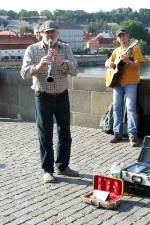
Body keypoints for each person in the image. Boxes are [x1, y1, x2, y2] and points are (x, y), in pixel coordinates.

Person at [20, 20, 79, 183]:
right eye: (47, 32)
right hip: (42, 95)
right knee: (45, 134)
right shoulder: (32, 49)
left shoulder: (65, 48)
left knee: (65, 133)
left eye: (53, 32)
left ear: (57, 34)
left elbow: (75, 70)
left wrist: (61, 63)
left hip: (62, 95)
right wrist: (39, 66)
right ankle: (47, 170)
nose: (50, 35)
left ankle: (63, 166)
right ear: (41, 34)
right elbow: (24, 74)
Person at [105, 29, 144, 147]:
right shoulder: (116, 51)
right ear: (117, 39)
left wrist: (128, 61)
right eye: (120, 36)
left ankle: (132, 135)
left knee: (130, 108)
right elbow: (107, 62)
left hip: (131, 82)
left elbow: (139, 64)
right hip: (117, 83)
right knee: (117, 107)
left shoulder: (134, 49)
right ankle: (117, 133)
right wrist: (110, 64)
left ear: (128, 37)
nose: (122, 38)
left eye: (124, 36)